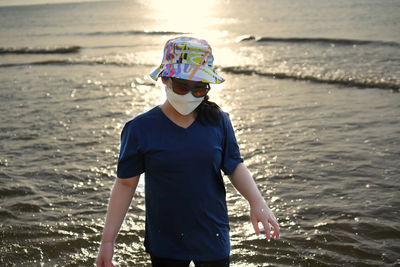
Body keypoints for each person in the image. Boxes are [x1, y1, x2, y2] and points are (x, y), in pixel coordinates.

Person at [96, 37, 279, 267]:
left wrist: (257, 202)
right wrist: (107, 241)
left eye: (199, 88)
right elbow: (125, 184)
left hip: (212, 235)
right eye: (182, 86)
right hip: (166, 240)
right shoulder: (140, 128)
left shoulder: (219, 121)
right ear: (164, 79)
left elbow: (235, 165)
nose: (190, 96)